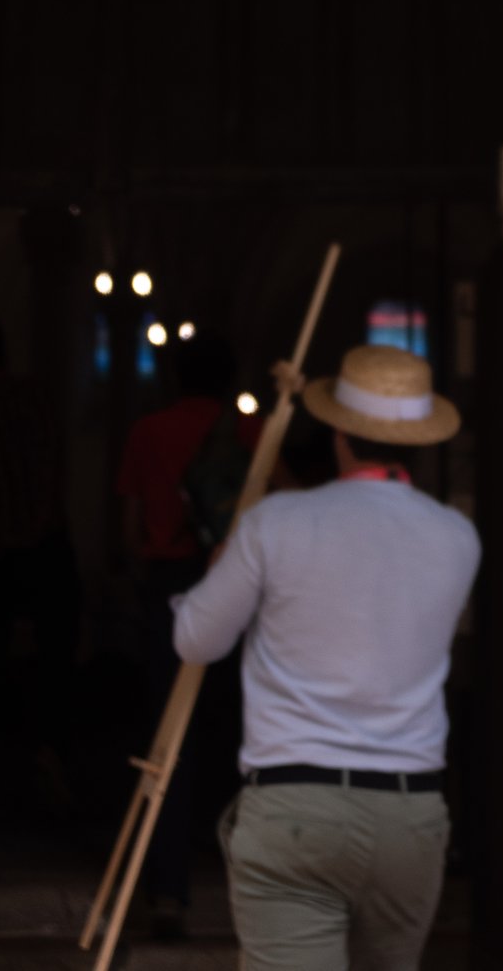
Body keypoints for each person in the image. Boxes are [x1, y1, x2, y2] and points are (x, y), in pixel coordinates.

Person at [173, 344, 480, 971]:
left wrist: (219, 568)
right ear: (420, 440)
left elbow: (196, 640)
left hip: (297, 806)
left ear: (339, 431)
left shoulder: (277, 523)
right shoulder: (457, 536)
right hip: (410, 814)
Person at [116, 333, 260, 934]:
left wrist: (144, 565)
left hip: (169, 585)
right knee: (242, 729)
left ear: (176, 376)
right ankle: (248, 882)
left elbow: (129, 525)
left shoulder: (148, 432)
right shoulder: (250, 432)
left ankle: (168, 891)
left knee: (168, 736)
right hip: (236, 580)